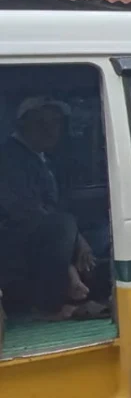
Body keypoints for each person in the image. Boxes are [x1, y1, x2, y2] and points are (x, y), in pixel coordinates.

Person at [0, 96, 108, 320]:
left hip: (38, 236)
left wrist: (78, 239)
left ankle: (92, 294)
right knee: (63, 225)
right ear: (22, 125)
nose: (52, 131)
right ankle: (49, 306)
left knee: (105, 233)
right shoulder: (9, 159)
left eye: (56, 124)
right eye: (42, 124)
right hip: (12, 244)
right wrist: (74, 243)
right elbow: (25, 211)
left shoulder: (43, 158)